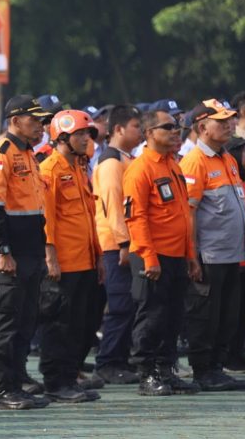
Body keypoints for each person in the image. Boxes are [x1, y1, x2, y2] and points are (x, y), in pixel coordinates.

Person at [123, 109, 202, 396]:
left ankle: (166, 370)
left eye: (177, 126)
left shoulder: (173, 165)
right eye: (167, 127)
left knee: (172, 316)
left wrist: (190, 255)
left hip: (176, 255)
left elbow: (182, 215)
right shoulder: (140, 168)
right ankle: (147, 374)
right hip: (152, 255)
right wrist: (148, 256)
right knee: (152, 316)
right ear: (149, 133)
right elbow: (136, 217)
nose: (175, 131)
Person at [0, 95, 51, 410]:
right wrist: (3, 250)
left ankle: (17, 382)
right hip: (10, 252)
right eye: (33, 119)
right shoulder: (3, 153)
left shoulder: (28, 153)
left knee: (25, 319)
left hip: (31, 250)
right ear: (15, 120)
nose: (39, 125)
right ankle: (3, 391)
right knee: (6, 321)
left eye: (40, 120)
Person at [179, 99, 245, 391]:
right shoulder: (194, 161)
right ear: (202, 127)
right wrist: (192, 256)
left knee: (227, 315)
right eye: (221, 122)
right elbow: (189, 212)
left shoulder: (226, 159)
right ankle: (204, 370)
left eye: (230, 121)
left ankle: (217, 368)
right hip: (209, 256)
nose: (229, 126)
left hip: (231, 255)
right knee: (206, 315)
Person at [37, 110, 104, 403]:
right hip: (63, 262)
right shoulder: (50, 169)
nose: (86, 140)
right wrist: (50, 256)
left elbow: (89, 217)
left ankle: (70, 377)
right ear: (62, 137)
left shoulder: (79, 167)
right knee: (59, 324)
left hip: (84, 260)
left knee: (79, 323)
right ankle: (55, 382)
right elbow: (47, 218)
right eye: (80, 134)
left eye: (88, 134)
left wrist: (98, 257)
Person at [92, 105, 144, 385]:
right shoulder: (111, 162)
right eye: (136, 126)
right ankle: (108, 362)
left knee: (129, 304)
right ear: (119, 129)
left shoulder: (126, 158)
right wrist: (124, 243)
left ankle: (120, 360)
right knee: (121, 304)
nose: (141, 132)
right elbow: (113, 205)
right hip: (116, 245)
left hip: (127, 243)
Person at [225, 135, 245, 370]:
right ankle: (226, 355)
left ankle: (236, 354)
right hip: (236, 256)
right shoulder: (232, 183)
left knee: (244, 311)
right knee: (232, 311)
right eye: (244, 150)